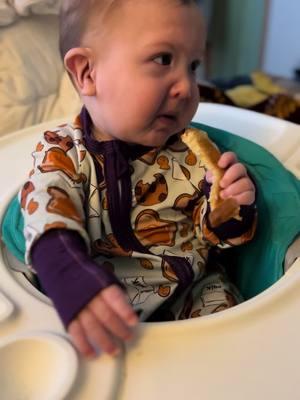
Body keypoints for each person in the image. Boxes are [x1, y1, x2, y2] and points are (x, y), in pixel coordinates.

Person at [14, 0, 257, 359]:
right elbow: (46, 211)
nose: (187, 88)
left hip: (192, 294)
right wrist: (68, 276)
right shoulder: (63, 152)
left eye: (193, 66)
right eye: (163, 59)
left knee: (237, 346)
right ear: (87, 73)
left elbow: (213, 237)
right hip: (100, 302)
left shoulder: (192, 153)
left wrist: (230, 210)